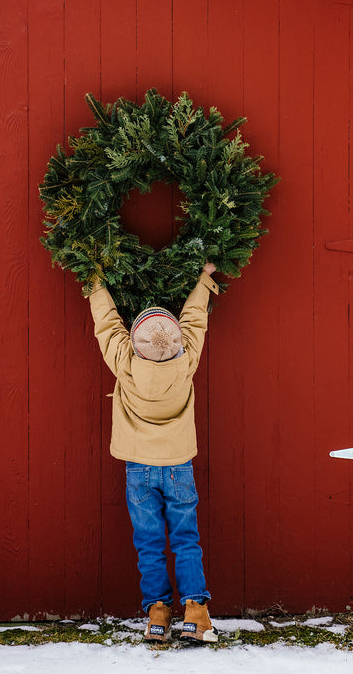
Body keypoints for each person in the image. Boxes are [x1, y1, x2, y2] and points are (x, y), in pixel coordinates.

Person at [88, 262, 219, 644]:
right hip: (179, 466)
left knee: (149, 542)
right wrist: (203, 277)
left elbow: (106, 322)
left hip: (139, 470)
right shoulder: (187, 361)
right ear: (177, 341)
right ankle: (195, 613)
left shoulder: (125, 363)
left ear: (133, 341)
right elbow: (196, 319)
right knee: (185, 539)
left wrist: (95, 279)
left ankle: (158, 616)